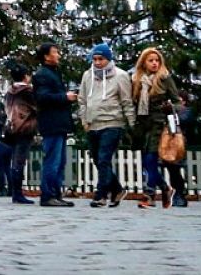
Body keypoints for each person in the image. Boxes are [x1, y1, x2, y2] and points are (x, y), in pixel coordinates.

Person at [78, 43, 133, 208]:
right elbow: (82, 99)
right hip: (93, 123)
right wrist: (84, 119)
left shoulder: (120, 76)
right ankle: (116, 189)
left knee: (104, 159)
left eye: (100, 59)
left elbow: (126, 100)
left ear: (108, 59)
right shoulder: (88, 75)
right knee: (98, 160)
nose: (97, 62)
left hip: (112, 122)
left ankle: (101, 195)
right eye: (94, 59)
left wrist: (131, 122)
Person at [130, 47, 184, 209]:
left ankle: (149, 194)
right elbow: (133, 102)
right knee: (147, 162)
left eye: (157, 60)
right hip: (143, 124)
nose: (154, 63)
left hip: (160, 124)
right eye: (151, 60)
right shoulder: (136, 80)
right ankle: (165, 188)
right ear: (144, 63)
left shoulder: (165, 78)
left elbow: (178, 102)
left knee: (150, 158)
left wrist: (170, 107)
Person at [32, 42, 76, 208]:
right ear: (46, 56)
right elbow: (43, 97)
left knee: (60, 161)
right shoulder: (42, 75)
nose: (58, 55)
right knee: (53, 160)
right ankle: (48, 194)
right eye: (55, 52)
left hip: (59, 123)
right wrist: (65, 97)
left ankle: (56, 194)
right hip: (51, 123)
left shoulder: (53, 73)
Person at [2, 63, 38, 205]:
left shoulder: (10, 92)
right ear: (25, 76)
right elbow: (37, 107)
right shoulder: (27, 91)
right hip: (25, 127)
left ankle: (15, 191)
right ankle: (17, 193)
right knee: (19, 161)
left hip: (12, 128)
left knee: (15, 161)